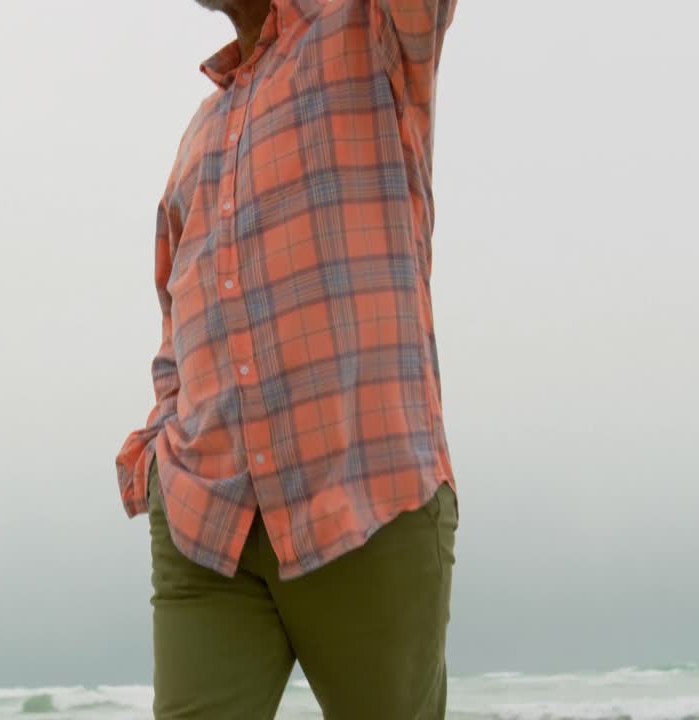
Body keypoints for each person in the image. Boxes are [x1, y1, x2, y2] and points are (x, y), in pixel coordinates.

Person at [114, 0, 461, 716]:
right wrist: (160, 450)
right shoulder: (199, 136)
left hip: (367, 500)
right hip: (208, 527)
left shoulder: (369, 31)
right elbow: (175, 324)